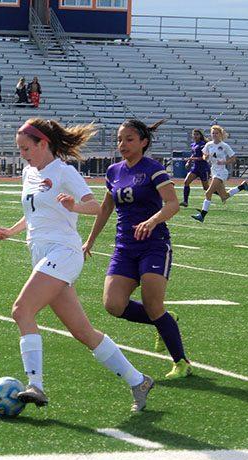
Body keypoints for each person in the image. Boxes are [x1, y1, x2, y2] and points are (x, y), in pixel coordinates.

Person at [0, 118, 154, 412]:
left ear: (43, 143)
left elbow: (96, 206)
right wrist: (10, 231)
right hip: (41, 253)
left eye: (26, 148)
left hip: (64, 252)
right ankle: (139, 381)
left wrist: (74, 206)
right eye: (20, 149)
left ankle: (36, 385)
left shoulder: (64, 172)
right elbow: (33, 215)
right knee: (83, 332)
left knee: (21, 310)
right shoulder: (28, 172)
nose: (23, 154)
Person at [84, 119, 191, 380]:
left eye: (129, 139)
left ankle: (182, 362)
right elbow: (106, 208)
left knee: (153, 304)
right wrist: (90, 240)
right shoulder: (113, 171)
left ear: (144, 142)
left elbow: (173, 204)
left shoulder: (154, 169)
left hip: (154, 246)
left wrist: (152, 220)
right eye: (120, 139)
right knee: (113, 305)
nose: (123, 145)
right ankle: (165, 321)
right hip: (124, 247)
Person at [191, 125, 248, 222]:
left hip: (221, 172)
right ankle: (242, 186)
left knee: (208, 192)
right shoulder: (209, 145)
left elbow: (233, 158)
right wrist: (205, 157)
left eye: (216, 133)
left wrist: (224, 162)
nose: (214, 135)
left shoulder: (224, 146)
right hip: (213, 170)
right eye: (213, 133)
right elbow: (204, 155)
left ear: (221, 134)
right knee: (224, 196)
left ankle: (202, 215)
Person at [181, 129, 210, 207]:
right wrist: (189, 162)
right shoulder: (193, 144)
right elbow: (193, 154)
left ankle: (222, 194)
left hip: (203, 168)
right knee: (186, 182)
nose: (195, 136)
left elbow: (203, 158)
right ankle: (185, 202)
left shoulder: (203, 144)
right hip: (195, 168)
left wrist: (191, 159)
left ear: (200, 135)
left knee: (206, 188)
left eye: (197, 134)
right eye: (194, 134)